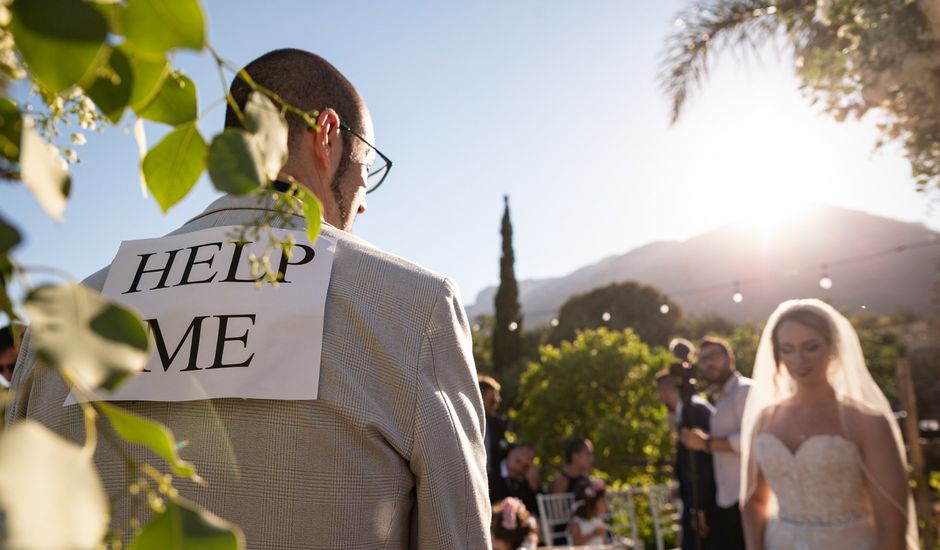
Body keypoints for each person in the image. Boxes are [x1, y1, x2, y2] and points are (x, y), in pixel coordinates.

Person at [7, 48, 490, 548]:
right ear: (326, 135)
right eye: (367, 164)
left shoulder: (60, 320)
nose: (364, 200)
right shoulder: (415, 307)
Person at [740, 299, 918, 549]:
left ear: (832, 347)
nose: (799, 359)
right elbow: (755, 500)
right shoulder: (765, 419)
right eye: (787, 349)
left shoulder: (867, 422)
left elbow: (891, 523)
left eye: (810, 347)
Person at [680, 337, 751, 549]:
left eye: (714, 357)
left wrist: (706, 443)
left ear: (729, 358)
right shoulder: (719, 400)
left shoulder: (745, 390)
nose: (709, 363)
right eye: (704, 359)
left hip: (747, 498)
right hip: (725, 502)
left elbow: (752, 439)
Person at [656, 369, 717, 550]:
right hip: (693, 501)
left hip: (704, 504)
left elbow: (704, 463)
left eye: (659, 393)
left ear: (665, 391)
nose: (660, 399)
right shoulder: (688, 410)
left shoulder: (695, 411)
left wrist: (699, 508)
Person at [490, 443, 540, 517]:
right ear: (511, 452)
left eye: (525, 465)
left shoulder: (526, 481)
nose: (525, 459)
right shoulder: (491, 471)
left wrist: (534, 488)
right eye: (519, 460)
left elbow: (536, 511)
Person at [481, 375, 509, 480]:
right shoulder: (465, 421)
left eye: (497, 401)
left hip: (493, 479)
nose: (496, 405)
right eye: (492, 401)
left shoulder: (497, 423)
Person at [568, 478, 609, 546]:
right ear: (592, 503)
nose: (606, 504)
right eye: (602, 501)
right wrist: (594, 534)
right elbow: (576, 543)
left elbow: (602, 543)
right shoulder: (577, 522)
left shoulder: (598, 520)